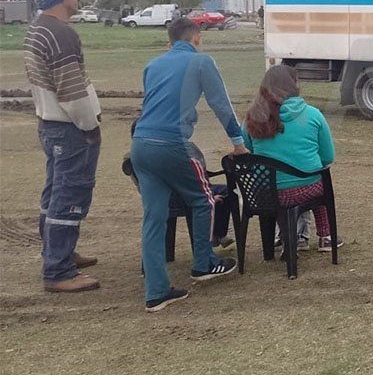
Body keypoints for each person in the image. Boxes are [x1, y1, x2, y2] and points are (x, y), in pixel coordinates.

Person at [132, 17, 245, 312]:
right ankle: (204, 262)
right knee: (204, 199)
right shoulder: (201, 62)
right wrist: (237, 141)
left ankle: (156, 291)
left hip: (141, 145)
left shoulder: (152, 66)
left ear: (170, 41)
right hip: (173, 144)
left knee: (154, 217)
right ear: (197, 38)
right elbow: (221, 104)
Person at [23, 0, 103, 293]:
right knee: (70, 196)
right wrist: (89, 126)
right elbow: (71, 91)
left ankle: (58, 251)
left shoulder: (38, 29)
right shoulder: (61, 34)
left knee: (54, 192)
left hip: (49, 123)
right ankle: (58, 270)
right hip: (70, 127)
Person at [242, 65, 341, 252]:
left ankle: (284, 237)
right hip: (305, 190)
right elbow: (328, 157)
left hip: (264, 194)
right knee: (320, 179)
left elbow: (248, 146)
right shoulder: (312, 114)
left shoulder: (252, 117)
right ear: (294, 85)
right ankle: (326, 235)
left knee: (295, 182)